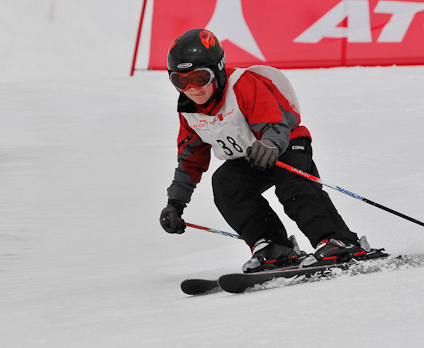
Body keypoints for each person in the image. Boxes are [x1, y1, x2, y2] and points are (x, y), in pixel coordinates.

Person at [160, 28, 376, 273]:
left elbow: (274, 122)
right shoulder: (190, 112)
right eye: (180, 80)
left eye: (200, 78)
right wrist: (175, 204)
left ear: (218, 70)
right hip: (250, 158)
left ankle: (338, 240)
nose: (192, 88)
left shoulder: (243, 85)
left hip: (285, 145)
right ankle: (273, 245)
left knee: (293, 186)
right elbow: (190, 161)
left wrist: (270, 144)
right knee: (225, 182)